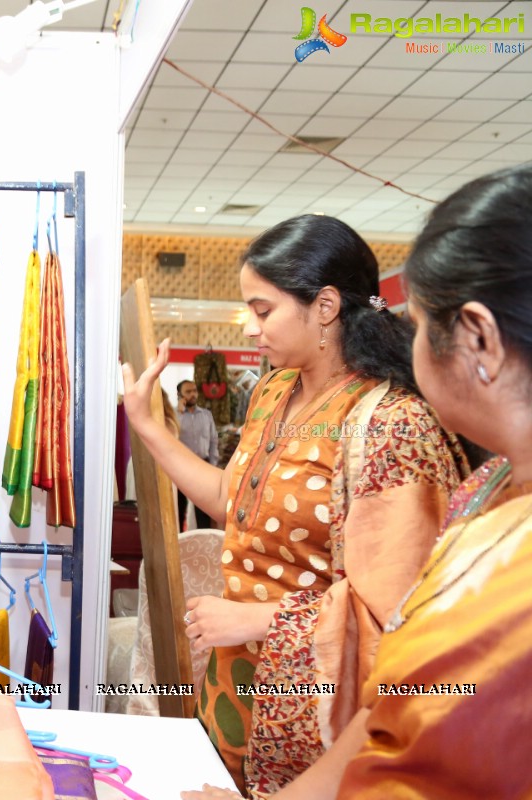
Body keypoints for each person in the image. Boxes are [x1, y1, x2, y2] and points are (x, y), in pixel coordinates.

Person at [180, 166, 532, 800]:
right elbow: (396, 697)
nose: (408, 340)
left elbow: (398, 664)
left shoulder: (394, 423)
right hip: (256, 704)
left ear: (478, 335)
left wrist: (261, 621)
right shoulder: (495, 492)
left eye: (421, 324)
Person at [121, 214, 468, 796]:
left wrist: (263, 619)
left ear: (326, 306)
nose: (251, 329)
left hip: (321, 708)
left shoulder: (390, 424)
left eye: (263, 311)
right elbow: (231, 499)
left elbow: (402, 614)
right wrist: (148, 426)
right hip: (235, 683)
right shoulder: (273, 392)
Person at [177, 379, 219, 529]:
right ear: (179, 395)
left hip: (203, 463)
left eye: (194, 390)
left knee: (204, 509)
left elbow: (214, 440)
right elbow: (171, 436)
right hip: (181, 467)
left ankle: (204, 541)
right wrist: (179, 412)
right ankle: (178, 543)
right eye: (188, 392)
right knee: (179, 507)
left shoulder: (206, 415)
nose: (193, 394)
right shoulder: (175, 416)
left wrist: (213, 464)